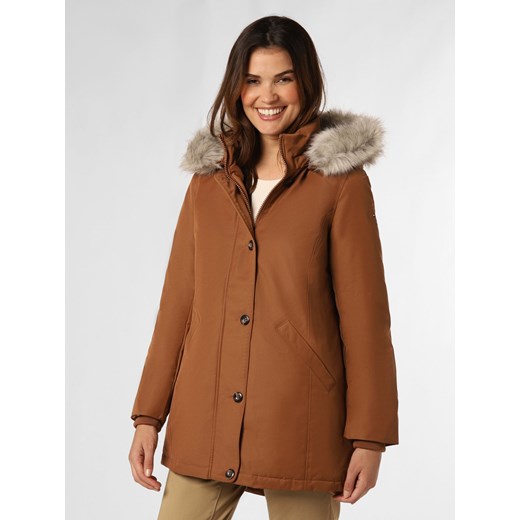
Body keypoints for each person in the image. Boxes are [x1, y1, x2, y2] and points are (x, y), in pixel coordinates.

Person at [128, 15, 399, 520]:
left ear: (306, 83)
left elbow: (366, 318)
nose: (266, 96)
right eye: (253, 80)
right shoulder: (209, 182)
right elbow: (178, 305)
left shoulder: (340, 183)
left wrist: (370, 437)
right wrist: (148, 415)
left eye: (283, 79)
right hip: (205, 418)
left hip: (302, 422)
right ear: (237, 88)